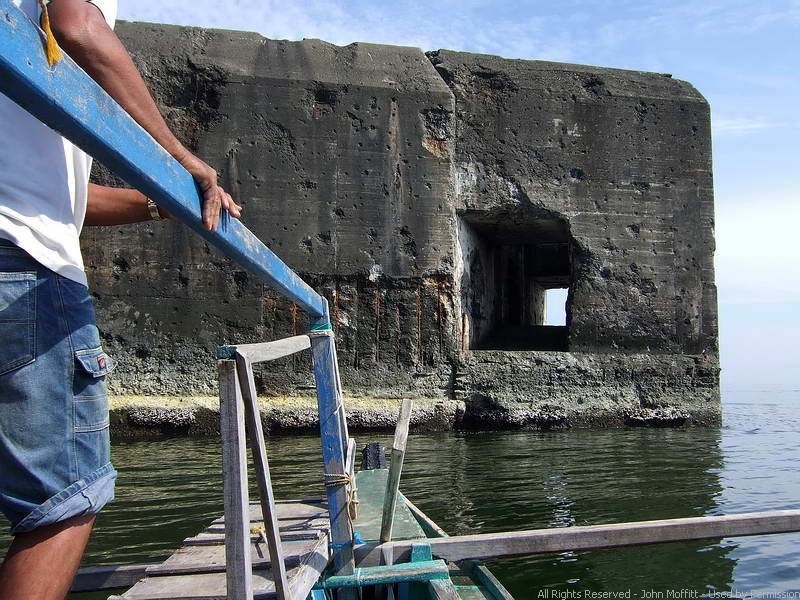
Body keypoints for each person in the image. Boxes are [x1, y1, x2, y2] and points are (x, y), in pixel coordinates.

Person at [0, 1, 241, 597]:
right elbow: (77, 23)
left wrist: (165, 200)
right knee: (62, 498)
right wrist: (179, 161)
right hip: (23, 267)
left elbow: (63, 199)